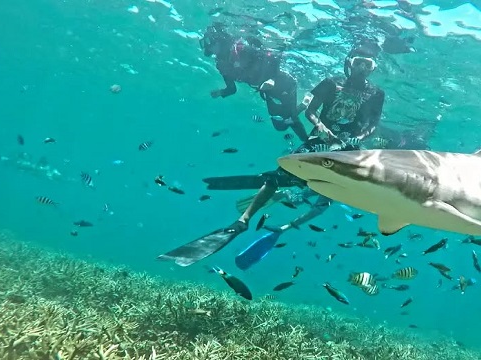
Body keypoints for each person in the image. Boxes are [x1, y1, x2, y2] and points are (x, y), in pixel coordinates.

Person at [158, 44, 386, 267]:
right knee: (277, 178)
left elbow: (373, 124)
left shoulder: (376, 93)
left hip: (349, 148)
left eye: (368, 65)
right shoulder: (330, 83)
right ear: (349, 62)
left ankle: (286, 226)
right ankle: (243, 221)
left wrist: (359, 138)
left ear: (374, 67)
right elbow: (310, 111)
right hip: (320, 141)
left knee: (329, 196)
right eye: (358, 63)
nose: (362, 69)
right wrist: (322, 130)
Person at [200, 24, 309, 141]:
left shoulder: (241, 49)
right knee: (280, 125)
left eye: (210, 42)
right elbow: (232, 89)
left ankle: (309, 143)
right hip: (267, 91)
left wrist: (272, 80)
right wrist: (221, 92)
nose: (208, 47)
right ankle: (302, 106)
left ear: (219, 41)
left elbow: (273, 58)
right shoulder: (222, 66)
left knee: (291, 118)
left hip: (283, 83)